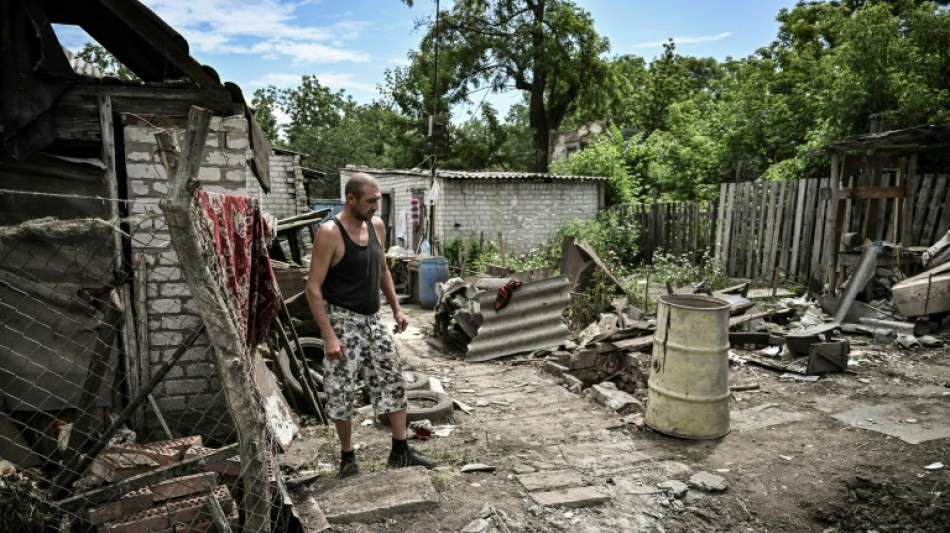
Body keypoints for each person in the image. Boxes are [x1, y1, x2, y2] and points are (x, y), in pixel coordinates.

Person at [305, 173, 436, 478]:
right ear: (351, 199)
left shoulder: (376, 227)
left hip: (374, 320)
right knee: (341, 389)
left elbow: (382, 271)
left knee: (393, 378)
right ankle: (348, 458)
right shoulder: (329, 233)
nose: (377, 206)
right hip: (343, 322)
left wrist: (397, 308)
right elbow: (313, 288)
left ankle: (400, 451)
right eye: (371, 200)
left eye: (378, 200)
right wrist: (329, 336)